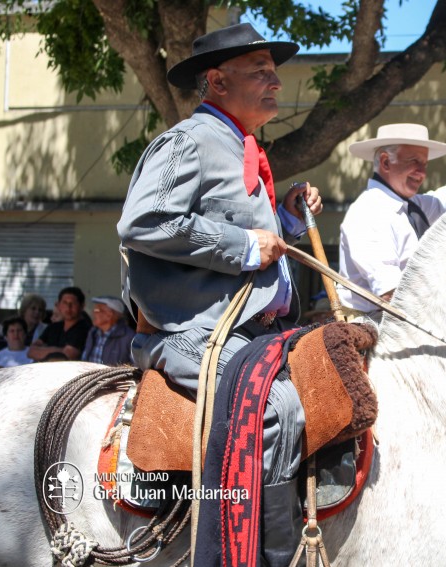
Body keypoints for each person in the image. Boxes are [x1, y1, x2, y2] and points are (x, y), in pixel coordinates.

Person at [116, 23, 321, 566]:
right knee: (276, 407)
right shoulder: (189, 141)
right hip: (191, 333)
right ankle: (265, 557)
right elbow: (143, 222)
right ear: (216, 80)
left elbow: (239, 237)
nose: (276, 80)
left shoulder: (243, 145)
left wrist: (287, 221)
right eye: (260, 71)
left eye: (274, 71)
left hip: (252, 332)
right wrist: (245, 245)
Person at [338, 119, 446, 318]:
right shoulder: (369, 211)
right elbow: (391, 293)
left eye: (424, 164)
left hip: (407, 321)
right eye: (413, 161)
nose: (422, 173)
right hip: (374, 329)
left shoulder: (412, 205)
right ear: (385, 162)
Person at [27, 287, 91, 362]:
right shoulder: (53, 327)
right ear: (59, 305)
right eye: (65, 303)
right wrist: (60, 350)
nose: (68, 307)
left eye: (72, 303)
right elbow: (31, 352)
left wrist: (43, 350)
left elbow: (68, 355)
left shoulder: (84, 329)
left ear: (82, 306)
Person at [81, 296, 134, 366]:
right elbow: (84, 359)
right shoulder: (93, 332)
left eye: (97, 310)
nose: (93, 313)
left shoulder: (129, 337)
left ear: (109, 314)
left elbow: (136, 367)